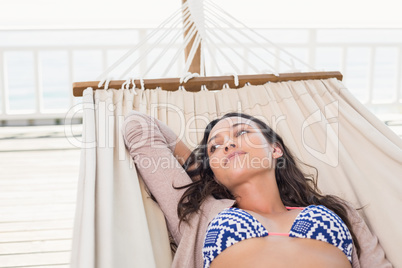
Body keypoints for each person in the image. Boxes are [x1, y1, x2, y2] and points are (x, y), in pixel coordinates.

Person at [122, 111, 392, 268]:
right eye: (215, 146)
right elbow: (139, 126)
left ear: (275, 149)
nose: (227, 145)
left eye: (241, 133)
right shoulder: (199, 214)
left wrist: (214, 157)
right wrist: (200, 167)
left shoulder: (335, 210)